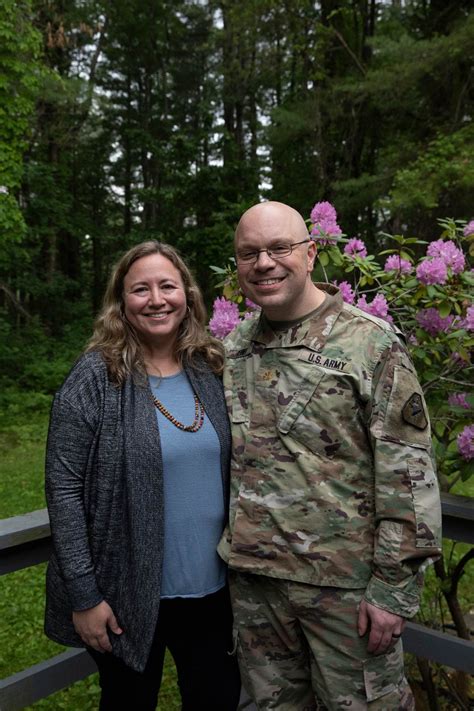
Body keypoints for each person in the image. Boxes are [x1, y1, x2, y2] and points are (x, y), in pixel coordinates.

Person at [217, 201, 442, 710]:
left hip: (347, 593)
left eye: (280, 248)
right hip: (257, 589)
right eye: (249, 253)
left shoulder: (369, 343)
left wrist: (393, 590)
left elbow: (408, 473)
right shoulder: (234, 350)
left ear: (311, 252)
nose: (264, 263)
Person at [45, 241, 241, 711]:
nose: (156, 299)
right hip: (125, 595)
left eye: (167, 286)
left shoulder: (209, 368)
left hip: (214, 592)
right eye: (141, 289)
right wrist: (85, 595)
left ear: (187, 295)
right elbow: (64, 489)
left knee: (218, 701)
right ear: (121, 302)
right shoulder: (96, 377)